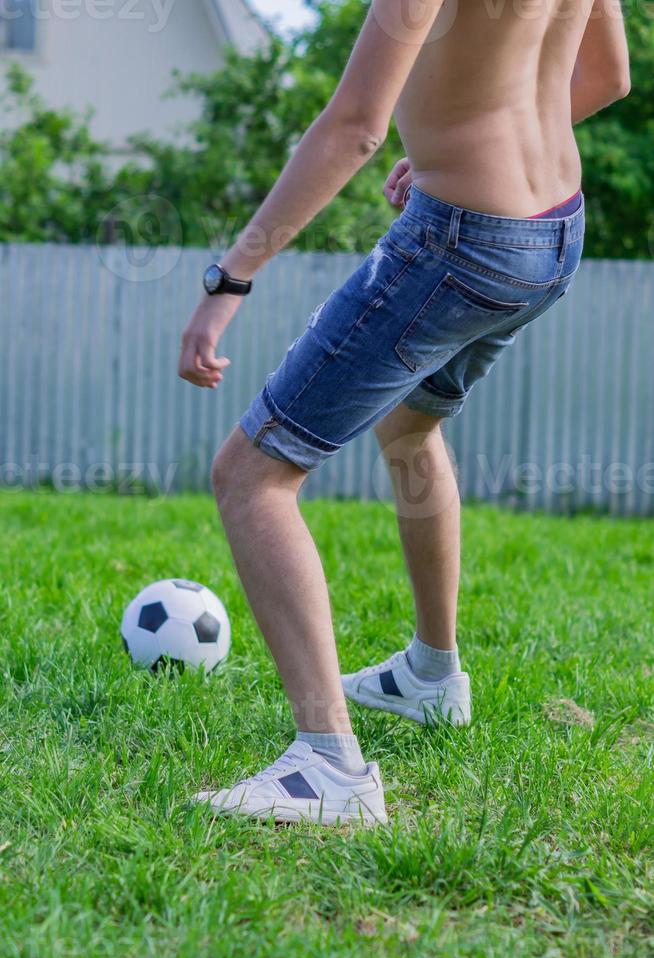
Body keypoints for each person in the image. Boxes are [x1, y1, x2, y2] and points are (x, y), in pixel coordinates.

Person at [180, 0, 630, 825]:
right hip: (554, 234)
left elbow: (354, 129)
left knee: (252, 476)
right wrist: (468, 138)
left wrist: (231, 277)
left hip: (464, 239)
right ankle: (431, 674)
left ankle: (328, 770)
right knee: (410, 424)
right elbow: (608, 78)